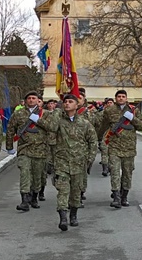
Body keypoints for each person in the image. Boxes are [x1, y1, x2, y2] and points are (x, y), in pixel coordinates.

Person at [36, 93, 98, 230]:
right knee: (63, 191)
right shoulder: (58, 121)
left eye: (70, 101)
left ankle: (73, 215)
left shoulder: (84, 123)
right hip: (62, 162)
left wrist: (90, 159)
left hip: (79, 163)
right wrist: (55, 112)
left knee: (76, 192)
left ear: (77, 105)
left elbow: (93, 141)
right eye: (65, 102)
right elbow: (50, 127)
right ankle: (63, 218)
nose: (67, 104)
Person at [99, 90, 142, 209]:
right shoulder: (109, 110)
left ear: (126, 98)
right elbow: (103, 126)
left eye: (123, 96)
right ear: (115, 98)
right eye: (119, 96)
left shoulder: (134, 110)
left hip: (129, 148)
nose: (121, 98)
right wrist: (100, 139)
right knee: (114, 172)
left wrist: (132, 118)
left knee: (127, 173)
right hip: (114, 147)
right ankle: (116, 197)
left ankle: (124, 196)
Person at [7, 92, 48, 211]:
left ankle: (34, 197)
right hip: (24, 149)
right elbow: (10, 129)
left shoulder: (45, 114)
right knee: (24, 173)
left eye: (33, 98)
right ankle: (24, 200)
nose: (31, 100)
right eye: (28, 98)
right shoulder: (18, 113)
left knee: (37, 176)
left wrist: (39, 120)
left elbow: (52, 127)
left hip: (40, 150)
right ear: (25, 101)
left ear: (38, 100)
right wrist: (9, 146)